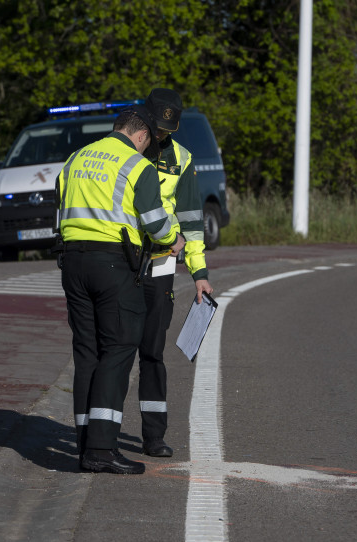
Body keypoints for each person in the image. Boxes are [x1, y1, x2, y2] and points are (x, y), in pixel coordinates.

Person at [57, 105, 185, 474]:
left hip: (72, 262)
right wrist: (174, 240)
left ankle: (84, 441)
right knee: (120, 347)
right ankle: (101, 448)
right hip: (113, 264)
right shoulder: (137, 166)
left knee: (87, 353)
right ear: (142, 135)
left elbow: (60, 209)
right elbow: (155, 223)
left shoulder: (75, 159)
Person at [136, 88, 214, 458]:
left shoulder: (182, 159)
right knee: (117, 351)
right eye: (158, 128)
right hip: (122, 262)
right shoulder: (125, 150)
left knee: (153, 351)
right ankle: (103, 433)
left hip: (162, 263)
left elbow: (192, 224)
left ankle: (153, 436)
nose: (163, 135)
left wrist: (199, 273)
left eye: (169, 129)